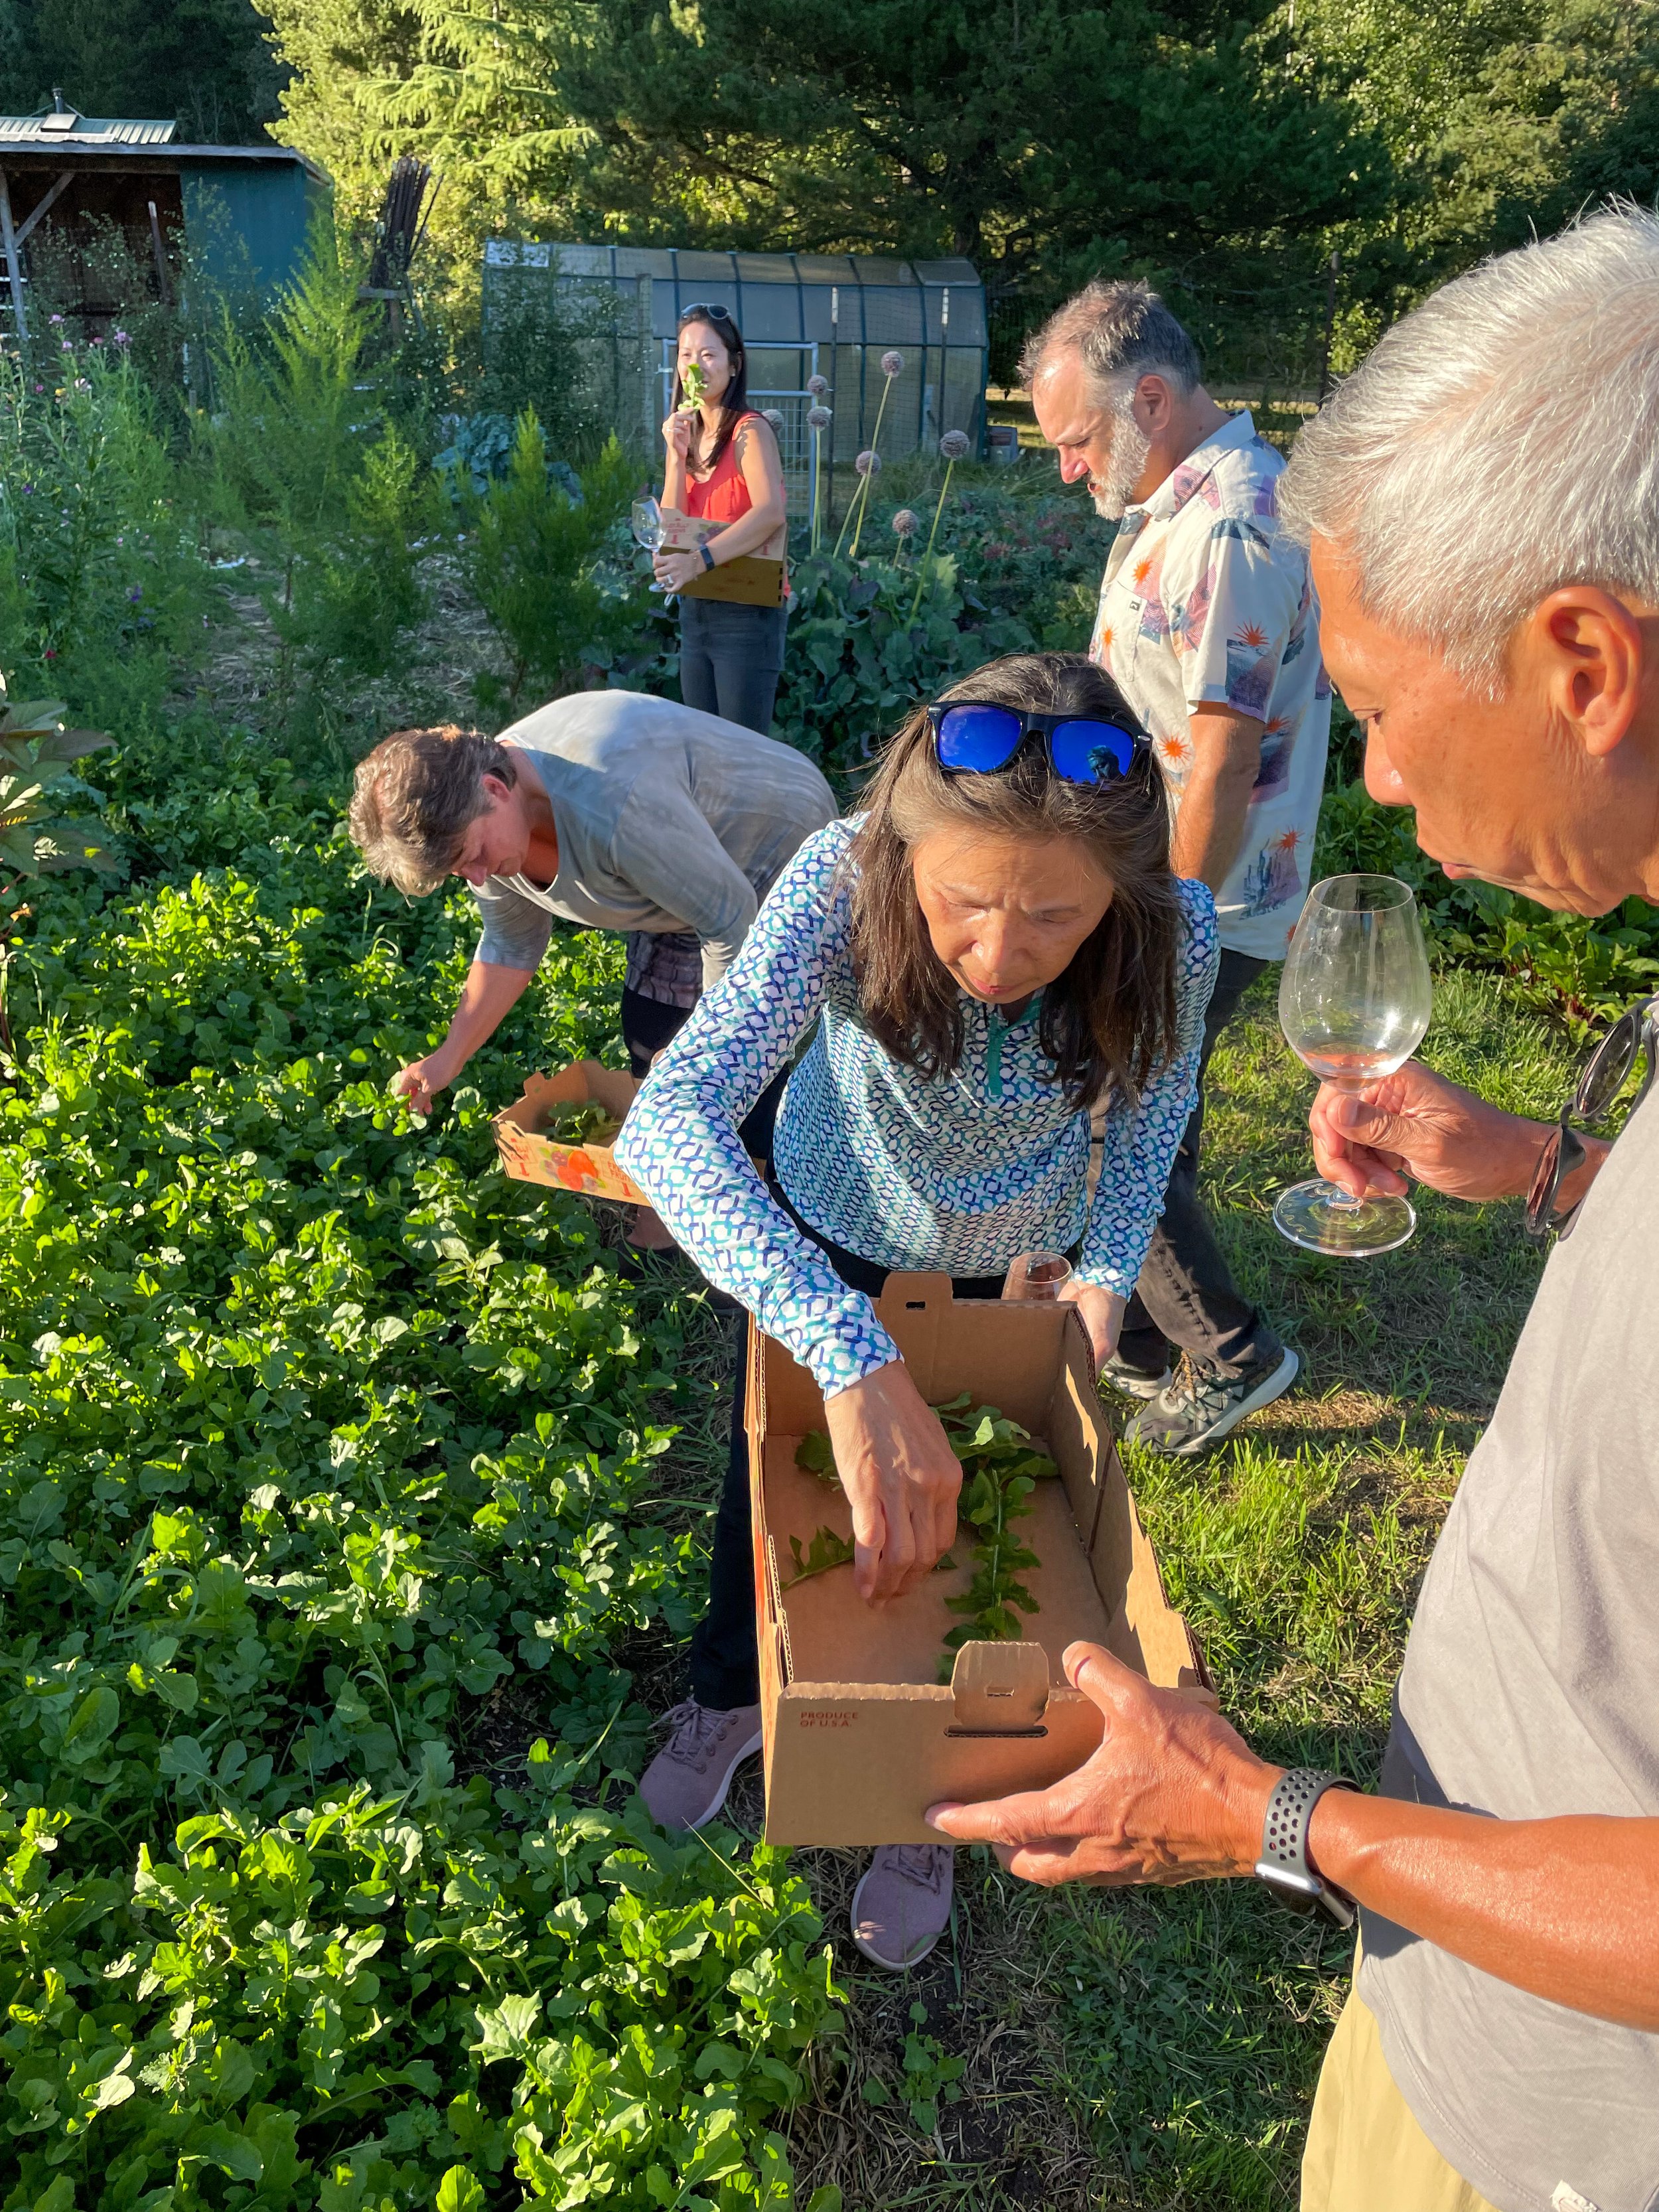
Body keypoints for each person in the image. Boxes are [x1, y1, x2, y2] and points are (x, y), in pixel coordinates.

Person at [928, 209, 1659, 2212]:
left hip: (1570, 2133)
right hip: (1454, 1981)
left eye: (1386, 703)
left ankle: (1221, 1353)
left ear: (1579, 661)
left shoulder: (1229, 525)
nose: (1382, 780)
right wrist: (1544, 1169)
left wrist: (1273, 1815)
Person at [614, 651, 1220, 1970]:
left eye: (1055, 919)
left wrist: (1107, 1278)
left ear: (1119, 894)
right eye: (961, 903)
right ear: (903, 848)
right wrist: (840, 1344)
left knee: (980, 1531)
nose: (998, 955)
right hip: (826, 1239)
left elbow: (1152, 1122)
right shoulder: (839, 874)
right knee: (766, 1490)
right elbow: (669, 1120)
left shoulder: (1178, 924)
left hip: (1016, 1275)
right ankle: (730, 1693)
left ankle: (927, 1791)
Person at [1022, 280, 1329, 1454]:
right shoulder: (1181, 502)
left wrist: (1171, 933)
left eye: (1079, 439)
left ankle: (1233, 1353)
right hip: (1167, 882)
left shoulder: (1231, 527)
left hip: (1198, 894)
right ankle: (1147, 1342)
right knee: (1156, 1104)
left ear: (1149, 397)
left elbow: (1223, 759)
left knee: (1109, 1116)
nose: (1068, 469)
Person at [346, 692, 835, 1245]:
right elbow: (511, 941)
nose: (479, 878)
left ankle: (757, 1224)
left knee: (740, 1067)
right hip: (684, 872)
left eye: (474, 854)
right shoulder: (487, 829)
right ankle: (675, 1201)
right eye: (461, 871)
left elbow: (729, 918)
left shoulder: (614, 804)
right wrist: (447, 1057)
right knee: (654, 1030)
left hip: (777, 844)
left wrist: (715, 1061)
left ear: (494, 790)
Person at [654, 304, 789, 735]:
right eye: (686, 355)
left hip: (747, 615)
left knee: (742, 754)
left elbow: (770, 512)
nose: (696, 365)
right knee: (703, 747)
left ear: (735, 363)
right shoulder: (687, 435)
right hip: (698, 612)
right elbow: (672, 528)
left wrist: (698, 561)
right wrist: (676, 459)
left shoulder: (750, 431)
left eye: (709, 355)